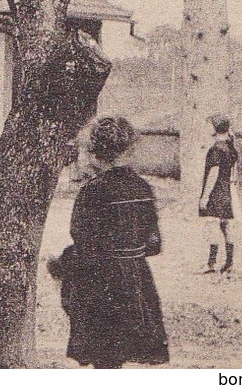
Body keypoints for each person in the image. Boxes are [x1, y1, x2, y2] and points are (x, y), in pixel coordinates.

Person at [55, 116, 169, 369]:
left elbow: (85, 244)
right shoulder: (142, 188)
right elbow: (154, 244)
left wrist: (59, 265)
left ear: (93, 153)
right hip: (137, 282)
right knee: (119, 353)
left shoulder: (93, 191)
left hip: (102, 284)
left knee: (104, 358)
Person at [199, 113, 242, 275]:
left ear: (215, 128)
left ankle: (211, 264)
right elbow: (234, 175)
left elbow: (213, 174)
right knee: (226, 226)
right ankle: (229, 263)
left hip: (216, 191)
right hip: (227, 191)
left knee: (212, 224)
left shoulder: (216, 149)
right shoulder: (231, 147)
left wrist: (205, 196)